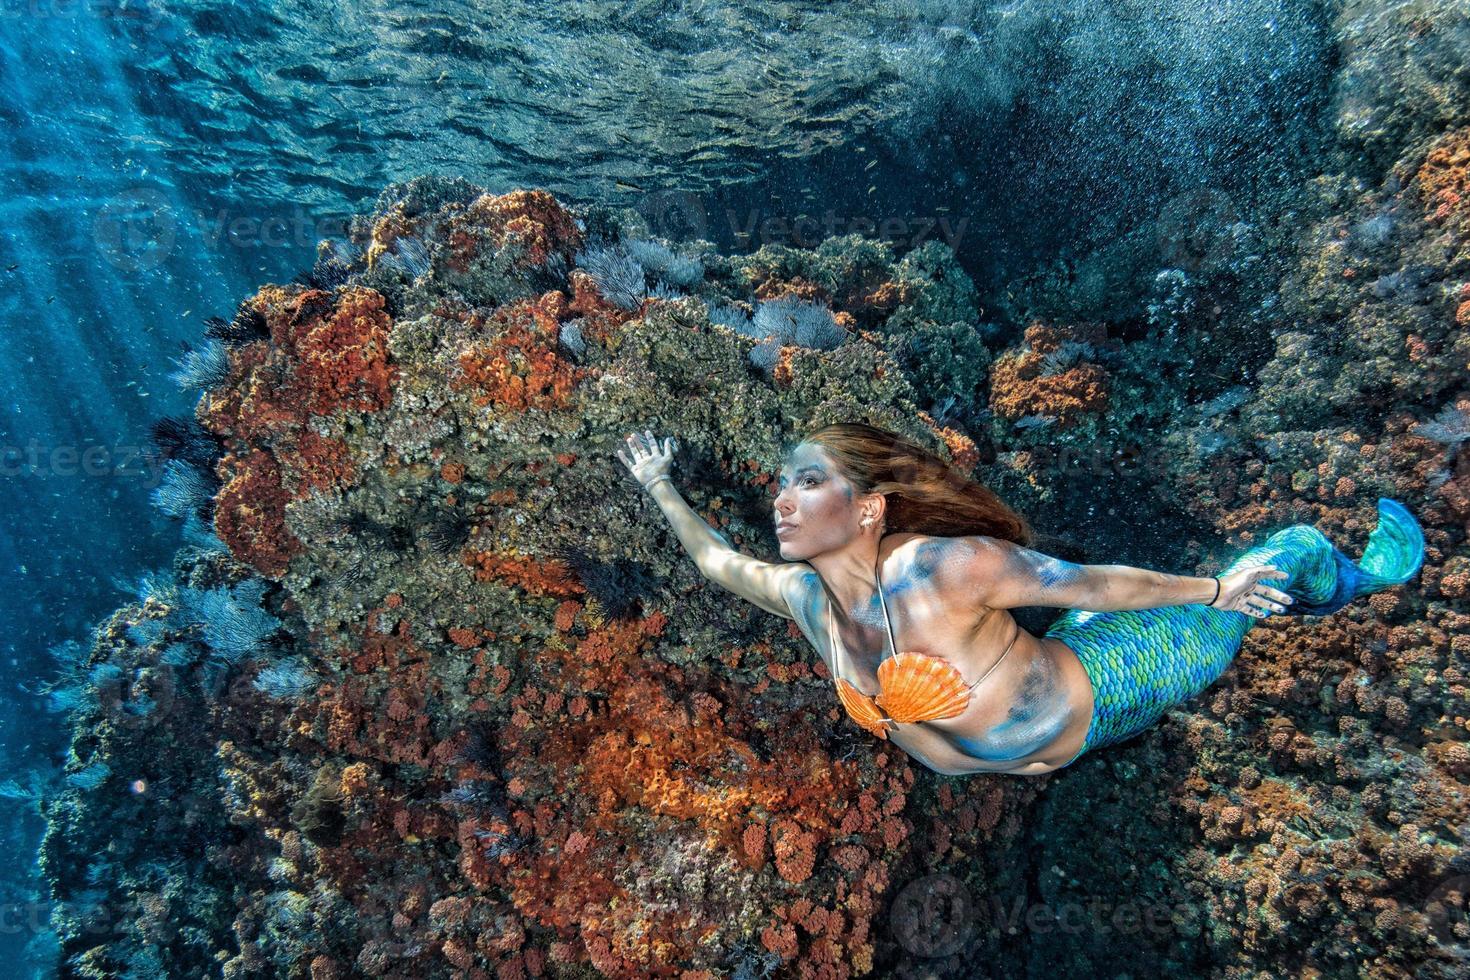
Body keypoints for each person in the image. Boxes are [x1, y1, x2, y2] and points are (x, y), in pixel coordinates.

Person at [616, 422, 1425, 776]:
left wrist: (1220, 588)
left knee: (1283, 558)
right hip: (1065, 691)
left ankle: (1357, 577)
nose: (781, 502)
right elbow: (716, 559)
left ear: (866, 509)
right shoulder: (804, 600)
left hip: (1114, 683)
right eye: (780, 484)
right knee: (1083, 619)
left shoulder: (946, 568)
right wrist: (657, 483)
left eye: (807, 480)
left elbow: (1094, 581)